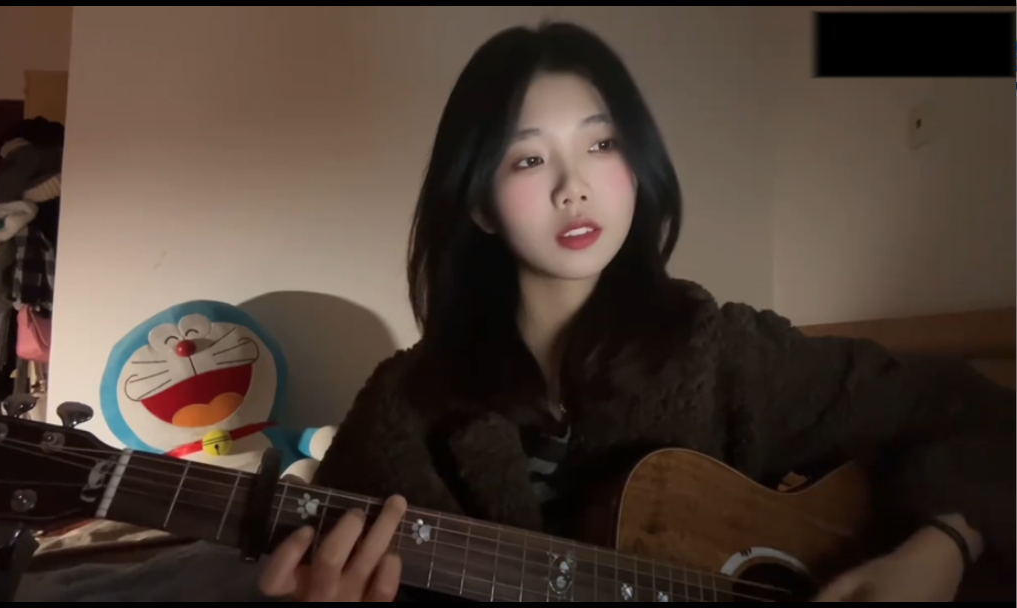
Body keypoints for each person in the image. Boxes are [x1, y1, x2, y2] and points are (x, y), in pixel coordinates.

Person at [260, 20, 1015, 603]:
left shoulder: (723, 352)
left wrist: (943, 546)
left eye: (601, 145)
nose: (573, 186)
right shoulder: (399, 418)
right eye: (529, 159)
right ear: (479, 206)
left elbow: (979, 413)